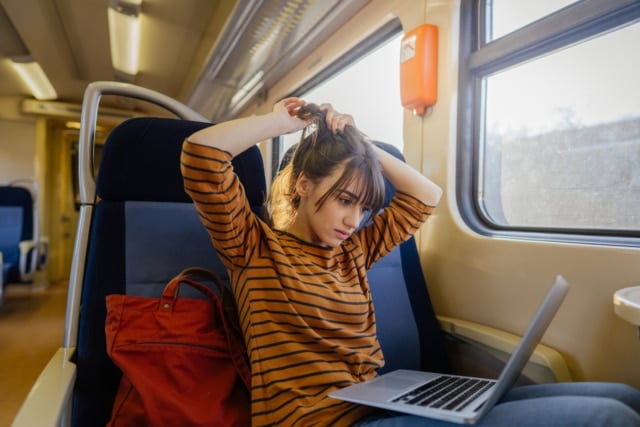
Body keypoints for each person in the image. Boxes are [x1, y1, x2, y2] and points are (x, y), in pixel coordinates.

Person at [181, 98, 640, 426]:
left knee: (623, 397)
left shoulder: (354, 252)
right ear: (303, 185)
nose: (354, 220)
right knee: (608, 416)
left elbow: (427, 197)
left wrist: (357, 142)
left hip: (383, 406)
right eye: (345, 200)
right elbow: (202, 154)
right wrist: (278, 122)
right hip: (320, 422)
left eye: (364, 207)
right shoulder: (253, 248)